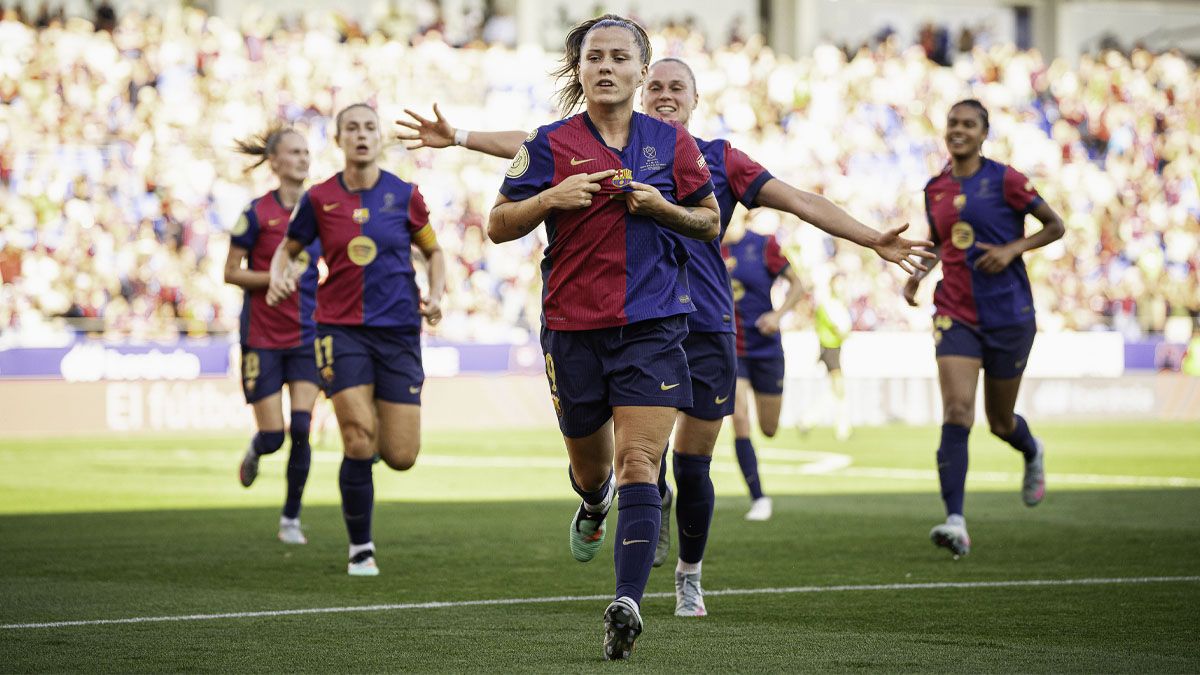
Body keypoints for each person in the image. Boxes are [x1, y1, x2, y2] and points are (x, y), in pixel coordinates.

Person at [397, 53, 931, 617]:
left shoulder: (717, 160)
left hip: (704, 329)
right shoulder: (603, 144)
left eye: (680, 87)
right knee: (624, 462)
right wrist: (458, 136)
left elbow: (799, 200)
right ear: (639, 93)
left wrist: (873, 238)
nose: (667, 94)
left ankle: (688, 575)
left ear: (696, 101)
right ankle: (624, 508)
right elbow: (530, 146)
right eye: (658, 87)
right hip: (629, 323)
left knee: (691, 462)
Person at [486, 15, 720, 660]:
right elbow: (497, 224)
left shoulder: (671, 145)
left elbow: (708, 220)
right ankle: (592, 505)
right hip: (572, 331)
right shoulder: (548, 143)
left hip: (653, 327)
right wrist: (550, 199)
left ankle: (627, 602)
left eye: (621, 57)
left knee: (640, 461)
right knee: (593, 472)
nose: (607, 66)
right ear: (581, 70)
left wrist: (662, 209)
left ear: (641, 71)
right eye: (595, 57)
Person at [267, 103, 446, 576]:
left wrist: (437, 294)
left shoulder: (406, 195)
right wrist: (276, 279)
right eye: (352, 128)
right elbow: (287, 251)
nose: (361, 135)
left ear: (380, 137)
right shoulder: (319, 198)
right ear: (339, 138)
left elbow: (434, 252)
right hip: (340, 331)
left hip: (400, 333)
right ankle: (360, 548)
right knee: (357, 437)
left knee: (402, 456)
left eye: (369, 127)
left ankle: (369, 475)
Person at [904, 99, 1065, 558]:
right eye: (952, 122)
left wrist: (1014, 248)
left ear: (983, 133)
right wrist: (918, 274)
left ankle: (1030, 449)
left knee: (999, 421)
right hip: (955, 312)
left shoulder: (1007, 179)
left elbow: (1055, 226)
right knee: (958, 411)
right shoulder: (934, 187)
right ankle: (955, 521)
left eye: (968, 124)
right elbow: (938, 243)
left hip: (1009, 314)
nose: (958, 130)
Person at [225, 125, 321, 545]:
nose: (302, 158)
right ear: (276, 161)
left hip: (306, 336)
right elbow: (230, 272)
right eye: (294, 152)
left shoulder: (322, 210)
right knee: (273, 436)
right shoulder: (256, 213)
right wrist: (272, 278)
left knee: (302, 426)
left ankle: (290, 519)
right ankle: (255, 449)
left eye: (306, 152)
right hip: (262, 337)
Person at [723, 217, 805, 521]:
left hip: (766, 346)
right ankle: (759, 498)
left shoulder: (763, 244)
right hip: (731, 348)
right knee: (740, 417)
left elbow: (798, 284)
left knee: (769, 429)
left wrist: (778, 314)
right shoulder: (707, 241)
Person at [802, 273, 853, 442]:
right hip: (829, 348)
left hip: (835, 347)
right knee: (839, 388)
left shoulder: (839, 304)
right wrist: (843, 333)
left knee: (835, 389)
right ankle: (841, 428)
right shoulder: (827, 304)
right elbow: (836, 328)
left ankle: (809, 420)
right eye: (839, 283)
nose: (842, 286)